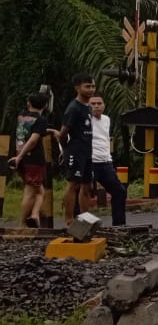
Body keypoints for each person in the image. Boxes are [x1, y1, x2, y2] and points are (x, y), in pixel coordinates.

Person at [8, 92, 51, 228]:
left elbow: (33, 131)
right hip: (33, 159)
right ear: (45, 105)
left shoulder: (22, 116)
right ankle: (22, 224)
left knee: (40, 191)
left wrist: (19, 156)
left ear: (28, 103)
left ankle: (34, 215)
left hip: (20, 156)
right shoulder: (40, 120)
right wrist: (20, 157)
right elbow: (33, 140)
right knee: (30, 191)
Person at [57, 74, 95, 226]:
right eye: (87, 86)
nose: (91, 89)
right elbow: (63, 133)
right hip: (75, 150)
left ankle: (84, 219)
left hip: (87, 151)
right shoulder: (74, 108)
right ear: (77, 88)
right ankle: (68, 220)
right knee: (73, 184)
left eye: (93, 86)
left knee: (86, 186)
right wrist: (66, 150)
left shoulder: (88, 107)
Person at [87, 95, 128, 226]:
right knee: (84, 194)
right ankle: (76, 224)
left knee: (119, 192)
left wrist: (108, 158)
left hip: (105, 162)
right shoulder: (84, 120)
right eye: (93, 104)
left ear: (104, 105)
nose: (96, 106)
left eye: (99, 103)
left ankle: (119, 224)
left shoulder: (106, 119)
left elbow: (104, 139)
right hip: (90, 162)